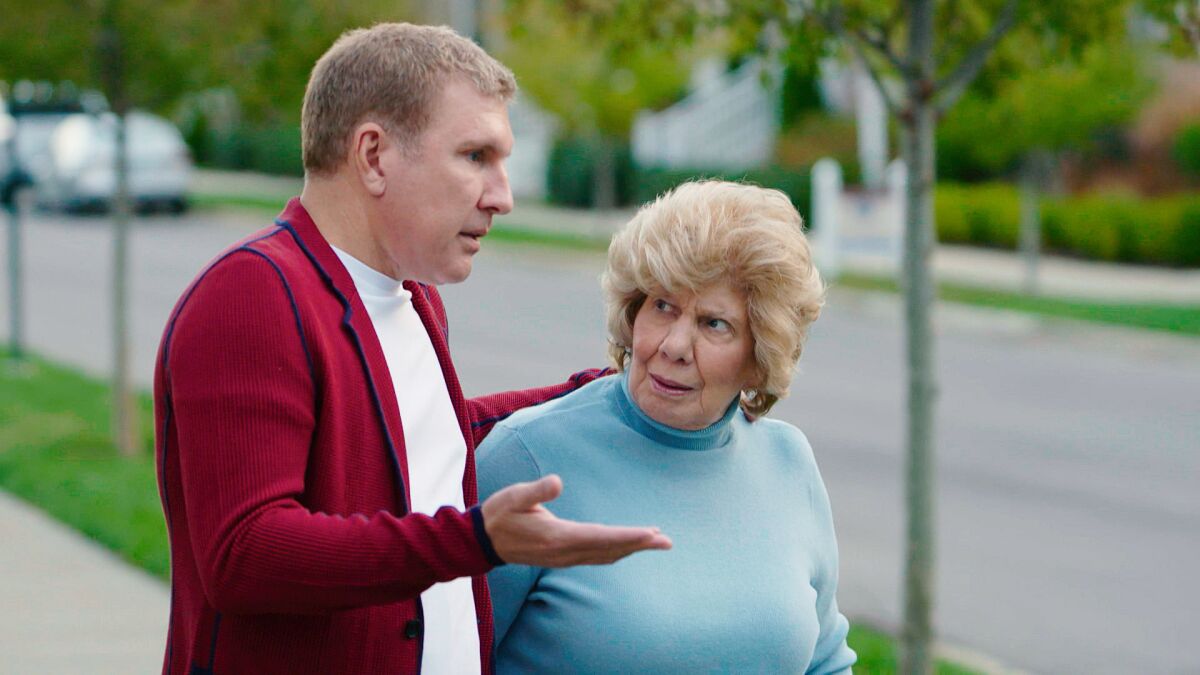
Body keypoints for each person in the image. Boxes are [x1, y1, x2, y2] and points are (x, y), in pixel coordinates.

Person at [154, 23, 669, 675]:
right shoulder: (253, 295)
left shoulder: (412, 295)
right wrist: (476, 539)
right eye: (476, 156)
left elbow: (418, 437)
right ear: (373, 156)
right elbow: (246, 556)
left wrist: (595, 389)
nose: (503, 196)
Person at [477, 180, 858, 673]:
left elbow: (825, 662)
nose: (675, 345)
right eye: (663, 306)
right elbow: (445, 654)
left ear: (760, 352)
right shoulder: (526, 457)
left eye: (713, 324)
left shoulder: (789, 461)